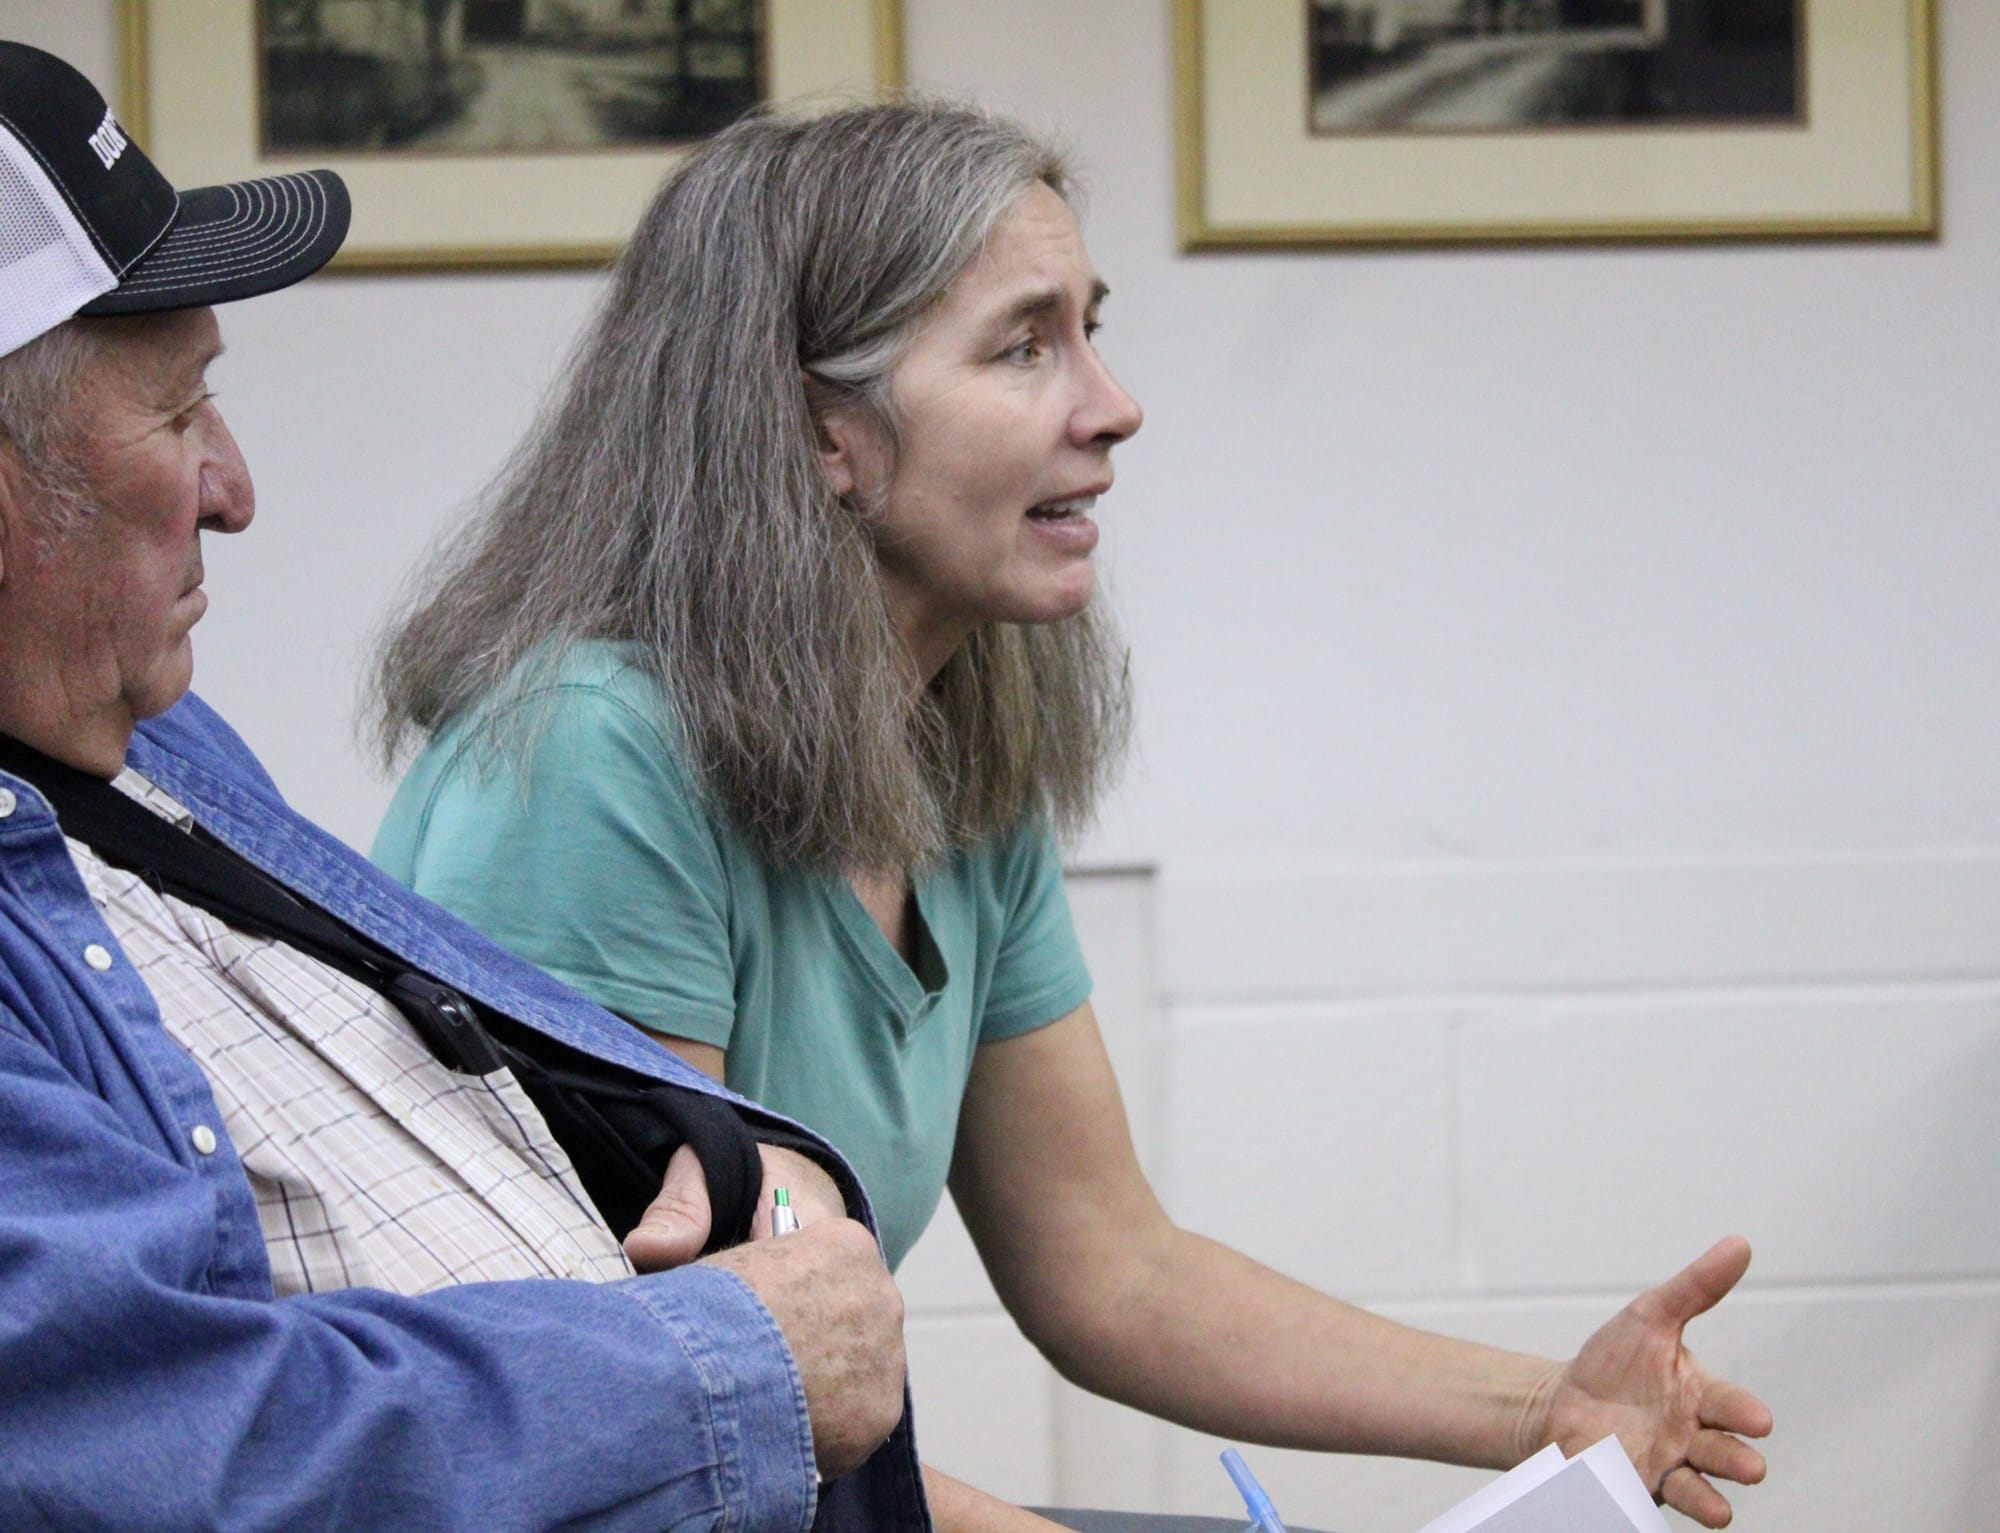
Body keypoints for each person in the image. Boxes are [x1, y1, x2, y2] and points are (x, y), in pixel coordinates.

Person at [370, 103, 1774, 1531]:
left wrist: (1552, 1414)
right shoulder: (595, 755)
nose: (1113, 404)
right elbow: (677, 1403)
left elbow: (1114, 1269)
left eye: (1090, 331)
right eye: (1026, 344)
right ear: (821, 432)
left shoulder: (949, 747)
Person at [0, 41, 919, 1531]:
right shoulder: (590, 729)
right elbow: (175, 1449)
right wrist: (741, 1355)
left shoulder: (146, 742)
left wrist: (753, 1149)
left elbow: (555, 1063)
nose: (235, 487)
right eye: (176, 416)